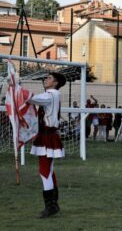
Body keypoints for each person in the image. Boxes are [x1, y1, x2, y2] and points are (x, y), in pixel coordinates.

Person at [28, 72, 66, 218]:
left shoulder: (50, 95)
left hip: (47, 135)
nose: (46, 79)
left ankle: (50, 206)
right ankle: (53, 204)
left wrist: (16, 88)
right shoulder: (52, 95)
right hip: (47, 135)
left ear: (55, 83)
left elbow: (30, 99)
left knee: (44, 171)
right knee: (48, 170)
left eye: (49, 78)